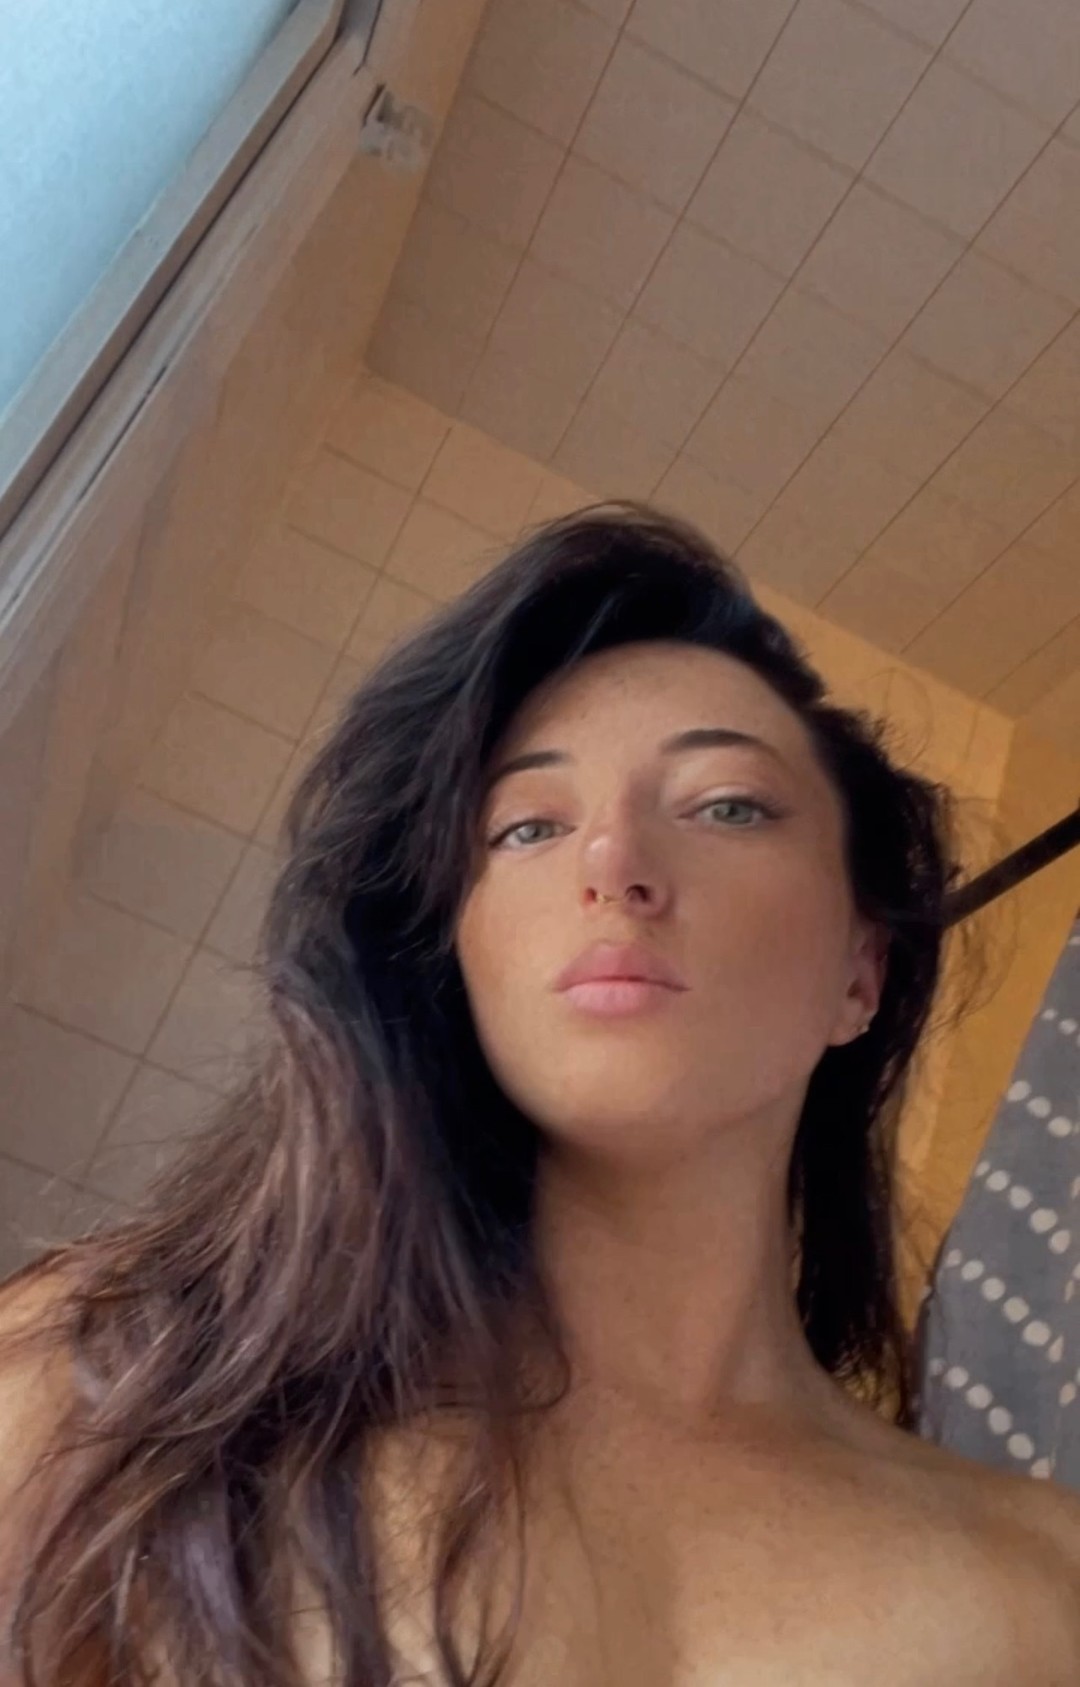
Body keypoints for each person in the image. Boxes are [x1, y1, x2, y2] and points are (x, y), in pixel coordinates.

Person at [0, 503, 1077, 1687]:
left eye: (727, 803)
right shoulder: (109, 1386)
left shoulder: (1047, 1579)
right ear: (453, 952)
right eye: (525, 827)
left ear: (860, 970)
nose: (611, 861)